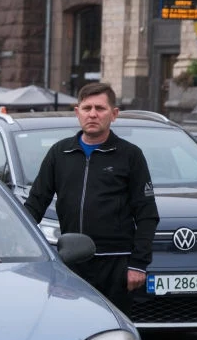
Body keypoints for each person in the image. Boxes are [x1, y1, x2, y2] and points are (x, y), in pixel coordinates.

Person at [24, 82, 159, 314]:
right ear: (77, 112)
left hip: (116, 265)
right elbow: (35, 205)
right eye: (87, 108)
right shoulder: (60, 153)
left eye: (100, 108)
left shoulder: (130, 155)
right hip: (71, 265)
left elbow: (147, 215)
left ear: (114, 114)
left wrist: (138, 264)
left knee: (114, 331)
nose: (93, 114)